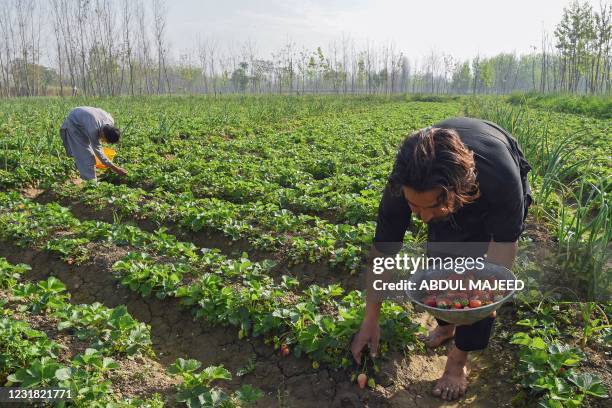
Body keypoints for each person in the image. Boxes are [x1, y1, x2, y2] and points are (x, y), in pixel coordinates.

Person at [351, 117, 532, 401]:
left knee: (481, 288)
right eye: (414, 207)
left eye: (428, 209)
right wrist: (370, 319)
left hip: (492, 174)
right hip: (445, 194)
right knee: (441, 264)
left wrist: (485, 295)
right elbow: (383, 254)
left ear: (456, 193)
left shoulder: (501, 180)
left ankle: (458, 361)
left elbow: (499, 260)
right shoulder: (404, 185)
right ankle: (447, 327)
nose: (421, 219)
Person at [60, 106, 128, 181]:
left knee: (88, 154)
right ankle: (91, 182)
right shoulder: (93, 130)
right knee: (86, 156)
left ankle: (81, 167)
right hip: (74, 123)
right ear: (103, 134)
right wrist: (116, 169)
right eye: (105, 140)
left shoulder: (110, 121)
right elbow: (99, 153)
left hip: (84, 118)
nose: (104, 142)